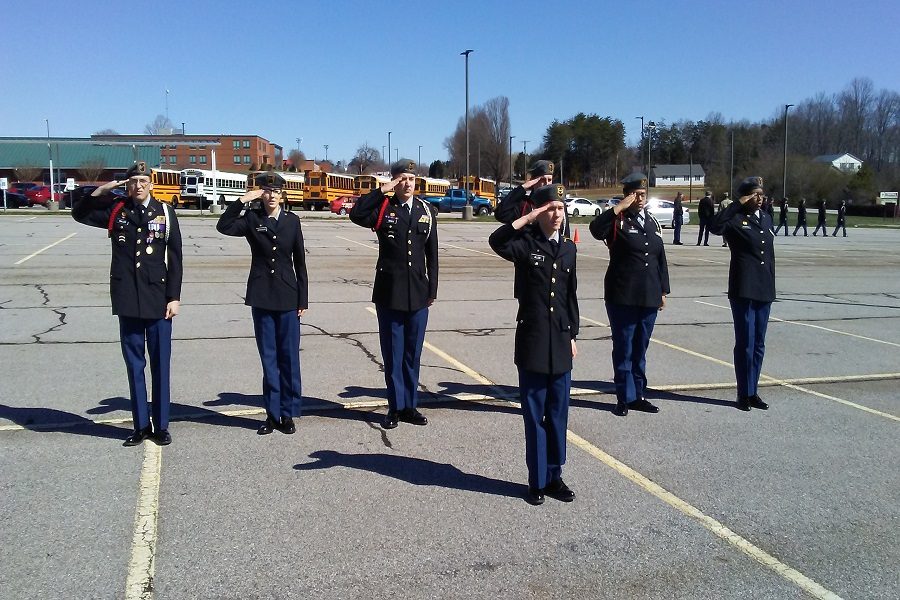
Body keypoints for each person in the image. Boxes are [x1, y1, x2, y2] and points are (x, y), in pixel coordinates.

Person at [71, 162, 183, 446]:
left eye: (143, 180)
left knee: (160, 365)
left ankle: (161, 426)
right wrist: (101, 191)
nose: (138, 186)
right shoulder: (117, 210)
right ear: (127, 185)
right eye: (133, 181)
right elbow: (80, 213)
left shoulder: (166, 213)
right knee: (134, 366)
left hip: (158, 300)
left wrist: (174, 297)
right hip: (128, 299)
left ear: (151, 184)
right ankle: (140, 425)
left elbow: (176, 259)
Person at [489, 184, 579, 506]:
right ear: (539, 212)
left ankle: (554, 476)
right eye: (550, 209)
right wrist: (527, 218)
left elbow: (570, 296)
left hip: (559, 342)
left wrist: (572, 335)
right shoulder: (526, 246)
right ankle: (536, 480)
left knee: (558, 414)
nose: (556, 215)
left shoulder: (568, 248)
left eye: (560, 208)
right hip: (533, 342)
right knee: (535, 414)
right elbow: (497, 240)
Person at [216, 172, 308, 435]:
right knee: (269, 358)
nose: (271, 196)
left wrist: (303, 299)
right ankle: (272, 413)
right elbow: (223, 226)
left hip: (289, 296)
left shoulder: (292, 221)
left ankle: (288, 412)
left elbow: (300, 263)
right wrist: (242, 200)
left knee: (288, 357)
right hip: (262, 295)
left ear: (283, 195)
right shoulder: (252, 219)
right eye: (266, 191)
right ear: (261, 193)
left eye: (276, 191)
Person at [349, 159, 438, 429]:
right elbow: (355, 213)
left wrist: (432, 290)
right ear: (395, 181)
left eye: (411, 179)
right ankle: (394, 407)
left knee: (412, 355)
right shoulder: (383, 207)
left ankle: (410, 406)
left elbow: (432, 256)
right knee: (393, 355)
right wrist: (383, 189)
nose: (407, 183)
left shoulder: (427, 210)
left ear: (416, 181)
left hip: (418, 295)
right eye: (402, 179)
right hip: (389, 294)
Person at [589, 173, 669, 416]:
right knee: (624, 348)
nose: (641, 198)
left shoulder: (652, 223)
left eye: (644, 194)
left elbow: (660, 259)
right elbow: (595, 230)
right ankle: (624, 397)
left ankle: (639, 395)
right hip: (622, 295)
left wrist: (663, 290)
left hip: (648, 295)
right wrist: (617, 208)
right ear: (628, 195)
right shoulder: (617, 221)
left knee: (640, 349)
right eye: (636, 194)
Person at [709, 177, 775, 411]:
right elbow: (715, 227)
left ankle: (753, 390)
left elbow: (769, 256)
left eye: (762, 194)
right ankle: (743, 393)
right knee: (745, 342)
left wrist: (771, 285)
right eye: (755, 195)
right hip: (744, 288)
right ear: (745, 196)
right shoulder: (735, 219)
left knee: (758, 344)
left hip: (764, 288)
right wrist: (737, 204)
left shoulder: (766, 218)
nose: (760, 199)